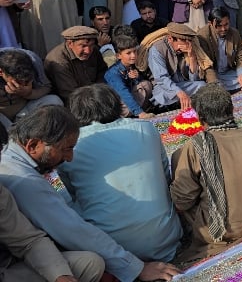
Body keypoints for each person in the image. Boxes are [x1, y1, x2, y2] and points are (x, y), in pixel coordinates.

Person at [0, 106, 182, 281]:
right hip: (12, 263)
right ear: (33, 145)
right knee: (91, 261)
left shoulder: (13, 160)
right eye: (66, 149)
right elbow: (70, 229)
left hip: (25, 247)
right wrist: (136, 267)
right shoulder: (23, 180)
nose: (69, 158)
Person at [60, 84, 182, 261]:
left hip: (112, 249)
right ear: (116, 104)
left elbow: (74, 193)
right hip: (165, 238)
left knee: (58, 200)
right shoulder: (146, 128)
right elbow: (165, 177)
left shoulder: (72, 145)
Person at [170, 84, 242, 261]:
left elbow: (181, 202)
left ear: (200, 118)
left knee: (179, 183)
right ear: (232, 110)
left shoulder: (193, 147)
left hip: (222, 232)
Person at [0, 180, 105, 282]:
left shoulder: (51, 175)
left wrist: (60, 275)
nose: (68, 161)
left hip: (10, 265)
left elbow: (27, 240)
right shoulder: (26, 179)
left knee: (90, 263)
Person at [141, 22, 217, 110]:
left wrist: (191, 57)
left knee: (202, 85)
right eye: (181, 44)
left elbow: (194, 80)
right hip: (165, 88)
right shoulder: (156, 49)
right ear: (170, 39)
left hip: (183, 85)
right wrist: (179, 92)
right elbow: (162, 78)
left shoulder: (190, 47)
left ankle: (182, 102)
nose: (185, 47)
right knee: (162, 96)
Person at [0, 48, 63, 128]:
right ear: (1, 72)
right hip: (3, 119)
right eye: (18, 81)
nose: (22, 84)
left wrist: (28, 93)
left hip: (25, 112)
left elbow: (46, 87)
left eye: (25, 81)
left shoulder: (33, 60)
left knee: (54, 100)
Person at [44, 26, 107, 104]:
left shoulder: (94, 51)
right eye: (83, 46)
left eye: (91, 45)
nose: (88, 51)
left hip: (94, 94)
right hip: (72, 101)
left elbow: (102, 71)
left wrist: (99, 90)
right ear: (70, 44)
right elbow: (70, 94)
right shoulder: (58, 61)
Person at [197, 7, 242, 92]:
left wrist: (241, 75)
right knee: (209, 86)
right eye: (219, 26)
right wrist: (215, 83)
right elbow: (206, 65)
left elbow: (241, 56)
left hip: (227, 73)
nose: (223, 29)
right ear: (210, 23)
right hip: (212, 74)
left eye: (226, 24)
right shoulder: (203, 36)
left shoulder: (234, 33)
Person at [104, 28, 154, 118]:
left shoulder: (130, 66)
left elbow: (135, 86)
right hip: (117, 104)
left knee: (146, 84)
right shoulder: (113, 73)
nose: (133, 56)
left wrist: (136, 78)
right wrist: (140, 113)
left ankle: (138, 111)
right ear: (118, 55)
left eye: (135, 51)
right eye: (128, 53)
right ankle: (138, 112)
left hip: (128, 101)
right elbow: (123, 93)